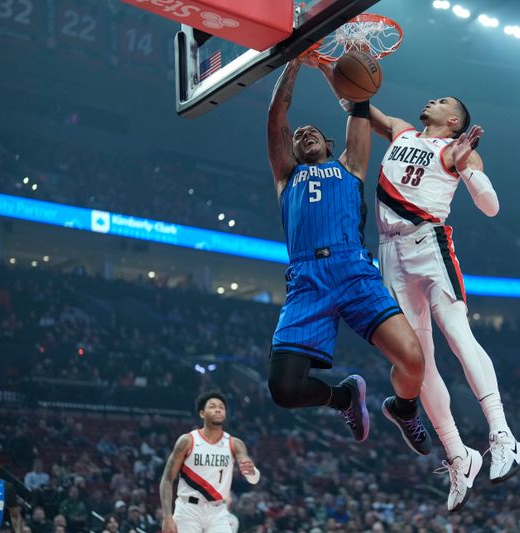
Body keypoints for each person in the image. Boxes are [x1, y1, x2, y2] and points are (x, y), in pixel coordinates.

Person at [316, 61, 520, 510]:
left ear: (454, 121)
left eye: (444, 101)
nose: (434, 99)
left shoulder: (458, 148)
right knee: (418, 361)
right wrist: (329, 66)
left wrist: (466, 166)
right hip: (390, 254)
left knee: (456, 333)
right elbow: (357, 100)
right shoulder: (403, 132)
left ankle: (502, 435)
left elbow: (490, 207)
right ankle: (458, 455)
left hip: (429, 243)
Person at [266, 57, 431, 455]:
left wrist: (330, 67)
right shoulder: (287, 176)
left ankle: (404, 408)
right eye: (298, 135)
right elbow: (277, 115)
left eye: (313, 133)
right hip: (306, 281)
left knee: (413, 360)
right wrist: (295, 60)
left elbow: (358, 102)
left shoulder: (351, 166)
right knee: (284, 390)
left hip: (353, 270)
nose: (303, 134)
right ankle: (343, 399)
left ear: (330, 145)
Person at [159, 391, 259, 533]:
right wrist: (167, 516)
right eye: (212, 406)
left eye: (221, 407)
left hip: (218, 512)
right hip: (188, 509)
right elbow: (167, 479)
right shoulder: (187, 441)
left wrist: (252, 472)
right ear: (202, 414)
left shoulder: (235, 443)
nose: (218, 409)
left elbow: (253, 479)